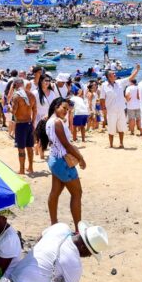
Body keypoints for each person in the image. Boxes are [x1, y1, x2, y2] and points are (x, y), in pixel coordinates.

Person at [7, 221, 108, 282]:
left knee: (55, 279)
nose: (89, 256)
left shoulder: (61, 227)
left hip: (13, 276)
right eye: (90, 253)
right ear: (83, 247)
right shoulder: (74, 262)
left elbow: (39, 239)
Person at [44, 97, 86, 227]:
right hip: (63, 162)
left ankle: (53, 223)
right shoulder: (57, 122)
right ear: (56, 106)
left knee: (55, 192)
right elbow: (67, 145)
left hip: (54, 159)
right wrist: (80, 158)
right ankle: (78, 228)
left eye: (67, 109)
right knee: (77, 193)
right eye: (64, 108)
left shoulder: (49, 121)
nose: (66, 111)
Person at [10, 78, 37, 174]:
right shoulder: (32, 95)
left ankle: (21, 170)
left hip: (20, 124)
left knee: (21, 148)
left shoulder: (16, 96)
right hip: (29, 123)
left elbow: (14, 111)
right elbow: (35, 111)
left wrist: (8, 108)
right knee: (30, 147)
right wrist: (33, 123)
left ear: (16, 85)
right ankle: (30, 168)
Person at [100, 69, 127, 149]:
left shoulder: (119, 83)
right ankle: (111, 144)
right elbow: (102, 99)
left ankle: (121, 143)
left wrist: (137, 70)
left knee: (121, 127)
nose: (115, 74)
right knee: (111, 128)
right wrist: (103, 109)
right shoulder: (104, 85)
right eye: (113, 74)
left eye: (114, 73)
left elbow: (130, 78)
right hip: (111, 110)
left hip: (121, 109)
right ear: (108, 76)